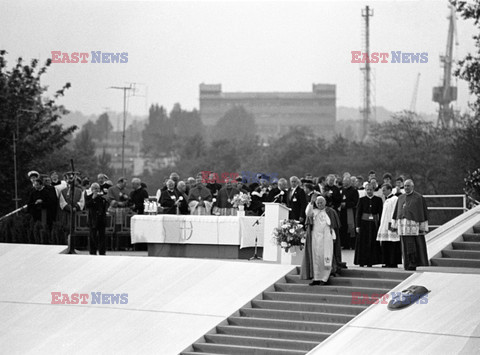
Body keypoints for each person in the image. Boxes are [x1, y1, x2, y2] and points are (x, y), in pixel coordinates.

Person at [391, 179, 429, 271]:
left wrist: (422, 227)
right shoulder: (400, 198)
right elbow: (397, 212)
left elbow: (422, 213)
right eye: (405, 186)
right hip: (402, 226)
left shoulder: (418, 197)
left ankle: (413, 263)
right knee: (404, 246)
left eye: (408, 186)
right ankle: (406, 264)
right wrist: (394, 226)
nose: (406, 188)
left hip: (413, 226)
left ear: (412, 186)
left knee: (411, 245)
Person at [300, 196, 337, 285]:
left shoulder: (330, 211)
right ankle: (316, 278)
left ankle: (325, 278)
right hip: (315, 237)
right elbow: (307, 213)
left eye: (321, 202)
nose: (320, 204)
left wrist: (333, 236)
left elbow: (333, 226)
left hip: (326, 237)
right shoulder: (314, 211)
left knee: (326, 256)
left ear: (325, 203)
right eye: (318, 203)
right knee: (316, 257)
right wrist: (311, 203)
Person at [354, 183, 383, 267]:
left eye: (370, 189)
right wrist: (357, 226)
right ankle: (362, 261)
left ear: (373, 190)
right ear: (365, 190)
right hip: (364, 224)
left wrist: (380, 224)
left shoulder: (378, 200)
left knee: (372, 242)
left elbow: (380, 213)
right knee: (363, 243)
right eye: (367, 190)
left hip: (373, 224)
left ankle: (371, 261)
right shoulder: (362, 199)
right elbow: (358, 213)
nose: (369, 191)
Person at [377, 183, 402, 268]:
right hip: (385, 224)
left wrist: (393, 224)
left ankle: (393, 262)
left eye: (384, 190)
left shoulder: (395, 199)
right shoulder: (386, 199)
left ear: (389, 190)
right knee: (386, 243)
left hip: (391, 224)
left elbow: (394, 213)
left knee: (393, 243)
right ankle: (386, 261)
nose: (383, 192)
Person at [85, 183, 109, 255]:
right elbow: (87, 205)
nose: (97, 190)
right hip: (93, 219)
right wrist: (93, 198)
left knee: (102, 236)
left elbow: (105, 206)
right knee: (93, 236)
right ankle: (92, 251)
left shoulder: (102, 197)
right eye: (95, 188)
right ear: (92, 190)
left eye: (98, 188)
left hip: (101, 219)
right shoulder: (89, 197)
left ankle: (102, 251)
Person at [340, 175, 359, 250]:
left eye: (345, 181)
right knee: (344, 227)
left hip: (350, 212)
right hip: (343, 212)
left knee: (351, 228)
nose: (344, 183)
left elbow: (356, 202)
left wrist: (346, 204)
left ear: (349, 182)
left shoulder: (354, 191)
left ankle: (353, 244)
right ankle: (345, 244)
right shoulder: (342, 190)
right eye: (343, 181)